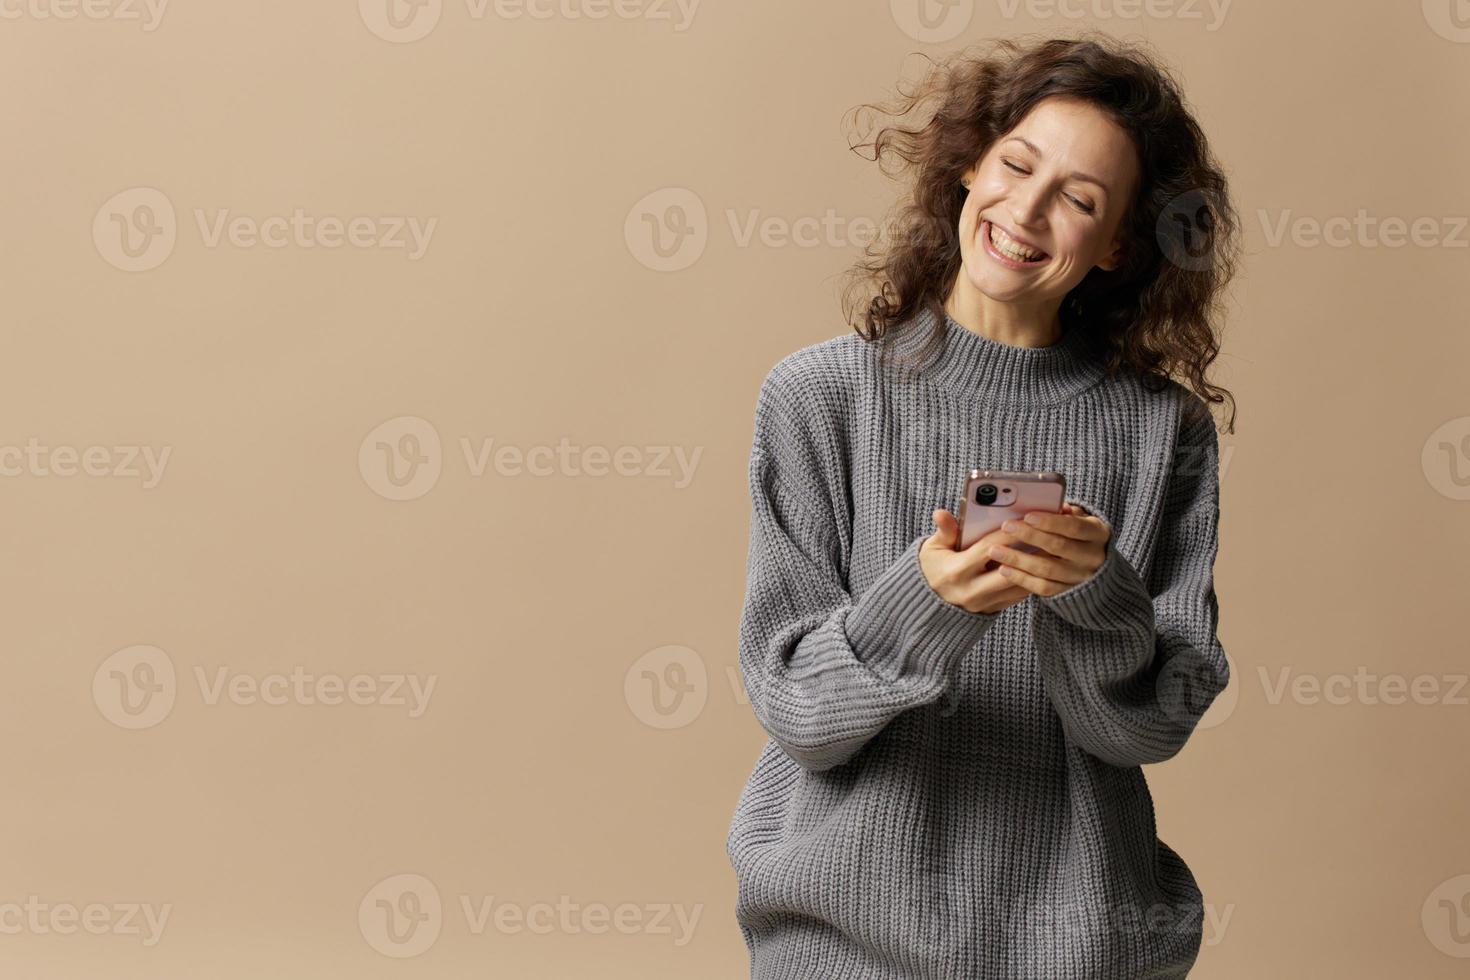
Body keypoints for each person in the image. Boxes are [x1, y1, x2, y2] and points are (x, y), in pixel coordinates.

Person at [726, 33, 1241, 979]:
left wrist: (1096, 595)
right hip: (844, 945)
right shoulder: (816, 400)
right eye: (1016, 164)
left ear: (1120, 243)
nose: (1029, 211)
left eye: (1080, 199)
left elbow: (1149, 728)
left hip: (1083, 946)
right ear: (970, 164)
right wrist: (925, 601)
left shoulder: (1165, 432)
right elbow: (798, 710)